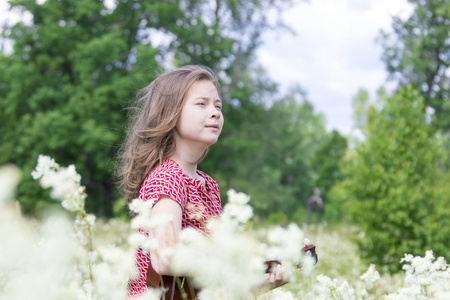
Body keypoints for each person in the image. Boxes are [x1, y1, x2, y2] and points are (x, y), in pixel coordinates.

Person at [117, 65, 283, 299]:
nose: (215, 112)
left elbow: (206, 285)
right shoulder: (167, 178)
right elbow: (165, 260)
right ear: (170, 113)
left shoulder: (208, 185)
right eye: (201, 104)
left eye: (218, 106)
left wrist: (259, 281)